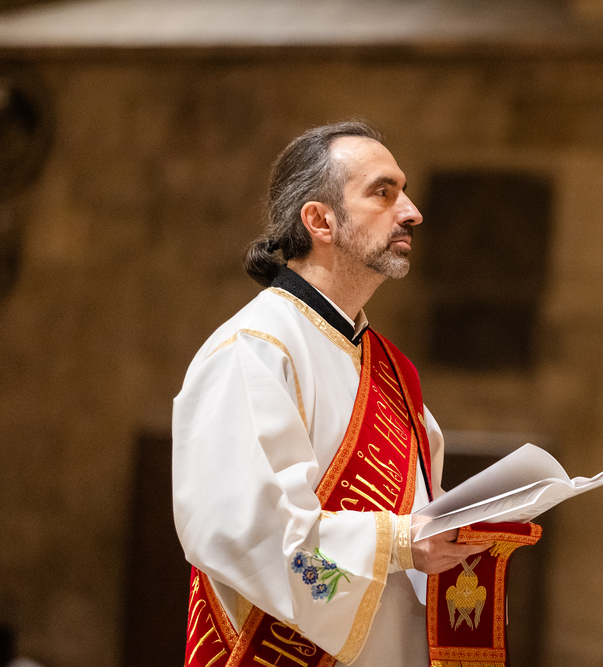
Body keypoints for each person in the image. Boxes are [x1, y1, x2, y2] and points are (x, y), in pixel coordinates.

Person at [172, 121, 491, 666]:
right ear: (320, 220)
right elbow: (246, 534)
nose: (412, 212)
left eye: (404, 191)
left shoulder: (391, 370)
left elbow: (421, 526)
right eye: (383, 192)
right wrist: (398, 541)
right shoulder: (254, 350)